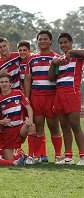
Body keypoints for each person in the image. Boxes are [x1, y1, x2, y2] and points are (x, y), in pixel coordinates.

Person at [24, 30, 62, 163]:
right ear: (37, 41)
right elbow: (28, 79)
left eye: (45, 39)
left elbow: (59, 80)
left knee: (54, 127)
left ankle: (58, 156)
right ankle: (38, 156)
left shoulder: (57, 58)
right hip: (37, 97)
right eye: (40, 39)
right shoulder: (32, 58)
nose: (42, 41)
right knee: (38, 126)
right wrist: (27, 98)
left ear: (50, 41)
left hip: (51, 96)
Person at [48, 33, 84, 165]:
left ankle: (82, 156)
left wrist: (72, 51)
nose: (63, 45)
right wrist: (53, 62)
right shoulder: (59, 59)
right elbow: (51, 78)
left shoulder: (77, 56)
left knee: (75, 125)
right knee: (64, 126)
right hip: (59, 94)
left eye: (66, 42)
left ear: (71, 42)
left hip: (72, 93)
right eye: (61, 43)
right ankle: (68, 157)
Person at [0, 73, 36, 161]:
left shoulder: (18, 93)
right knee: (10, 160)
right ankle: (21, 155)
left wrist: (30, 119)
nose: (4, 84)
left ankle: (31, 157)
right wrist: (1, 122)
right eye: (2, 82)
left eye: (6, 82)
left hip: (21, 128)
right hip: (8, 131)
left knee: (31, 126)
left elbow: (28, 107)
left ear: (10, 83)